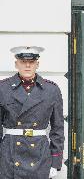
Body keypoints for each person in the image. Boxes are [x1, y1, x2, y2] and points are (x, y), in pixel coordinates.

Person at [0, 46, 64, 179]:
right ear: (16, 64)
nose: (27, 66)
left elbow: (57, 128)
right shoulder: (3, 88)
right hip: (10, 153)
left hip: (39, 152)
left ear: (37, 64)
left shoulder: (51, 90)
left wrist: (55, 161)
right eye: (23, 62)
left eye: (32, 62)